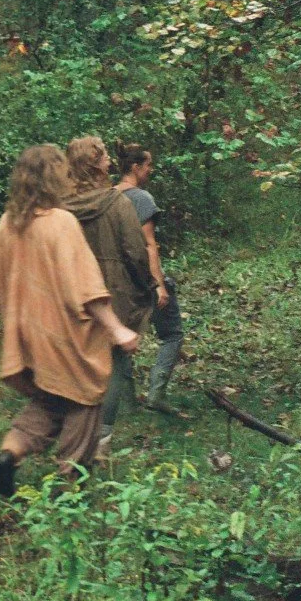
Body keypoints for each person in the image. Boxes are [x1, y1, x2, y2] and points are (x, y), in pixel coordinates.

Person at [0, 144, 139, 496]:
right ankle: (68, 484)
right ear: (54, 177)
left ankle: (9, 454)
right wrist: (117, 329)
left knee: (48, 400)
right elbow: (85, 288)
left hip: (27, 335)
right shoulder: (61, 222)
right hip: (64, 333)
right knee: (84, 399)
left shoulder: (7, 223)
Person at [64, 135, 155, 456]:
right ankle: (99, 441)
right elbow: (136, 251)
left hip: (70, 296)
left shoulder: (59, 209)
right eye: (103, 158)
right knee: (114, 363)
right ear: (95, 164)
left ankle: (73, 436)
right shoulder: (117, 204)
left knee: (76, 364)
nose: (109, 163)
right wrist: (148, 287)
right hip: (112, 295)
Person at [117, 143, 184, 415]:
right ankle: (155, 395)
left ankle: (125, 403)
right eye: (148, 165)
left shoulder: (107, 196)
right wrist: (159, 285)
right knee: (172, 334)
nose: (151, 170)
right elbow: (148, 244)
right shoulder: (141, 198)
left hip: (118, 282)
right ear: (135, 167)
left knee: (122, 340)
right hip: (144, 279)